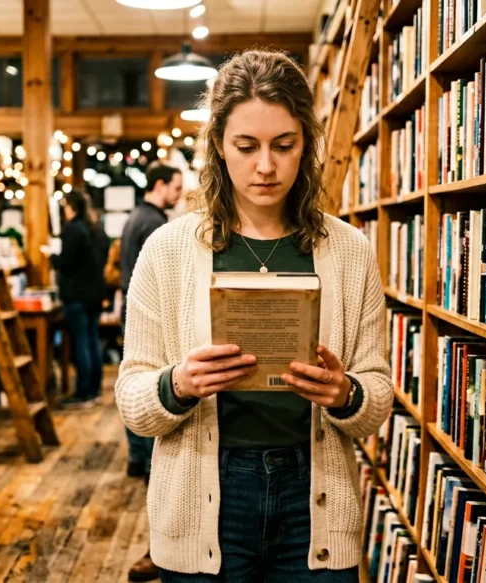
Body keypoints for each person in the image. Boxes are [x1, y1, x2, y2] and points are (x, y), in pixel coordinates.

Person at [116, 50, 391, 581]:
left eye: (283, 146)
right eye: (246, 146)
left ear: (306, 144)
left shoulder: (350, 251)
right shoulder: (166, 250)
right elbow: (132, 399)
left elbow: (376, 398)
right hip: (203, 497)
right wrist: (178, 384)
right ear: (219, 145)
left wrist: (346, 393)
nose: (265, 166)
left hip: (316, 499)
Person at [118, 161, 184, 582]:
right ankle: (142, 461)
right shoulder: (158, 230)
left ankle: (137, 458)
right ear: (159, 186)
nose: (180, 193)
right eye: (176, 187)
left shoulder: (134, 219)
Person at [53, 191, 108, 407]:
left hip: (77, 294)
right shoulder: (96, 229)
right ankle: (94, 389)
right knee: (93, 340)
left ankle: (84, 391)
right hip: (95, 293)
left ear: (71, 207)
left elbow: (65, 261)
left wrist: (50, 257)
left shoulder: (73, 229)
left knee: (82, 342)